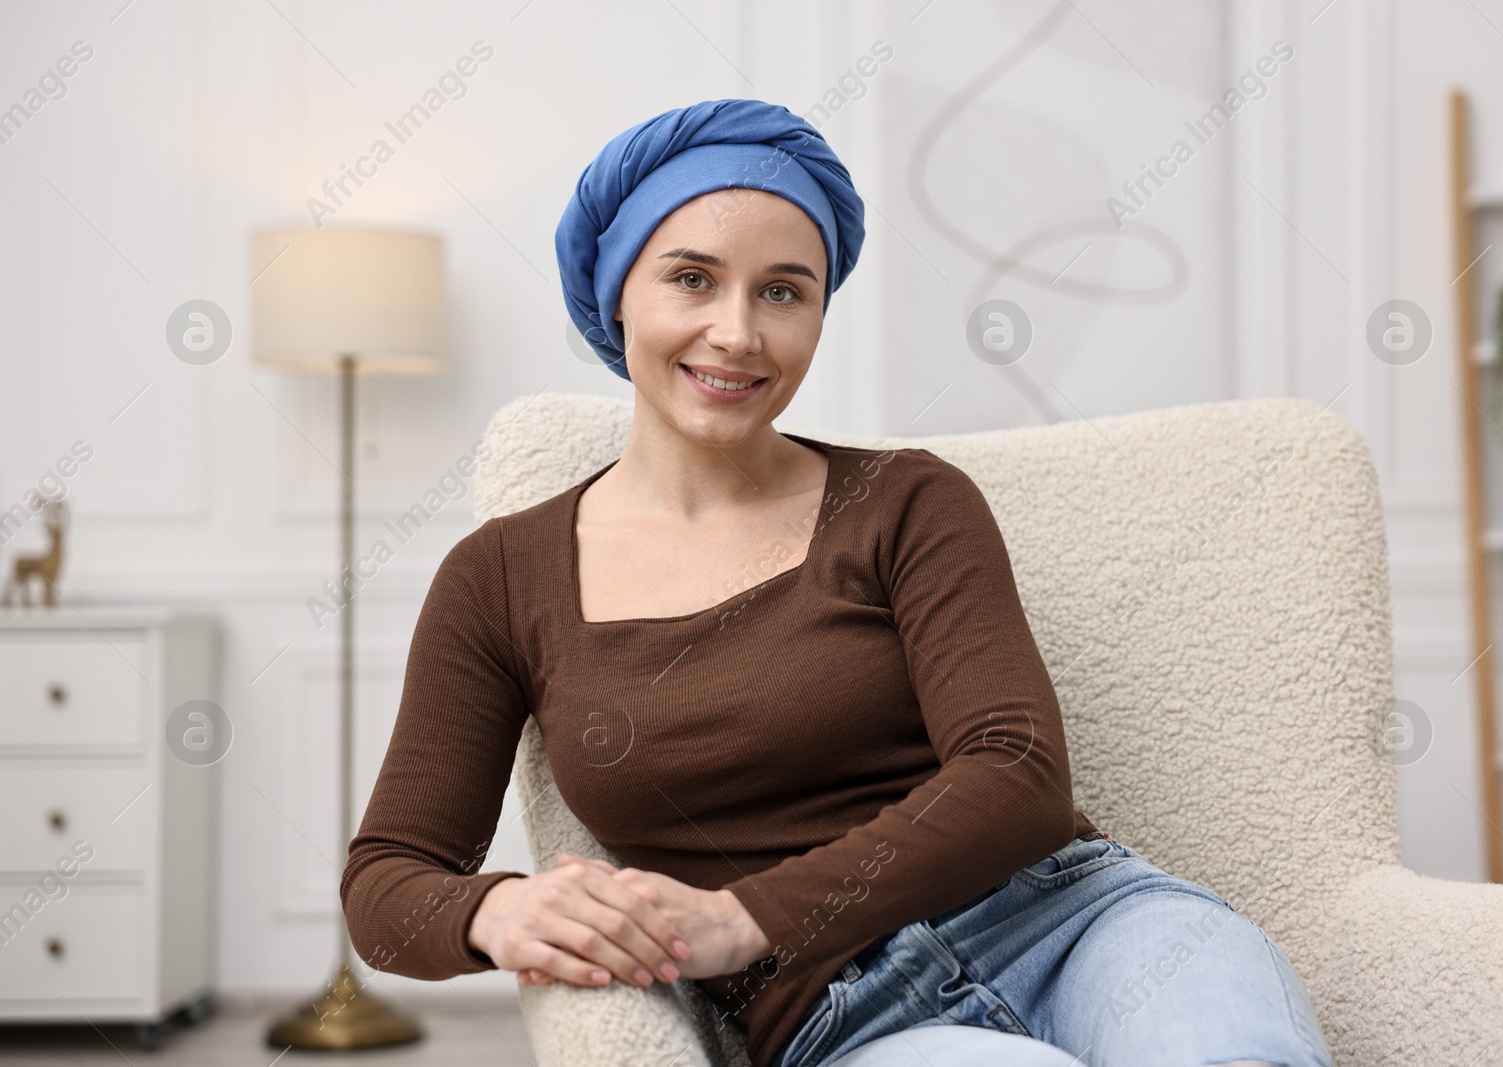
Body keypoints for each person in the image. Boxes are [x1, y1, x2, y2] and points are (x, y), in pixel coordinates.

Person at [340, 98, 1335, 1067]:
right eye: (691, 278)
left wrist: (741, 918)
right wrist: (498, 907)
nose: (737, 332)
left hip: (1076, 920)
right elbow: (385, 883)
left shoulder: (905, 501)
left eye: (783, 290)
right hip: (846, 1021)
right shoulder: (503, 577)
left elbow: (1016, 773)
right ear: (616, 293)